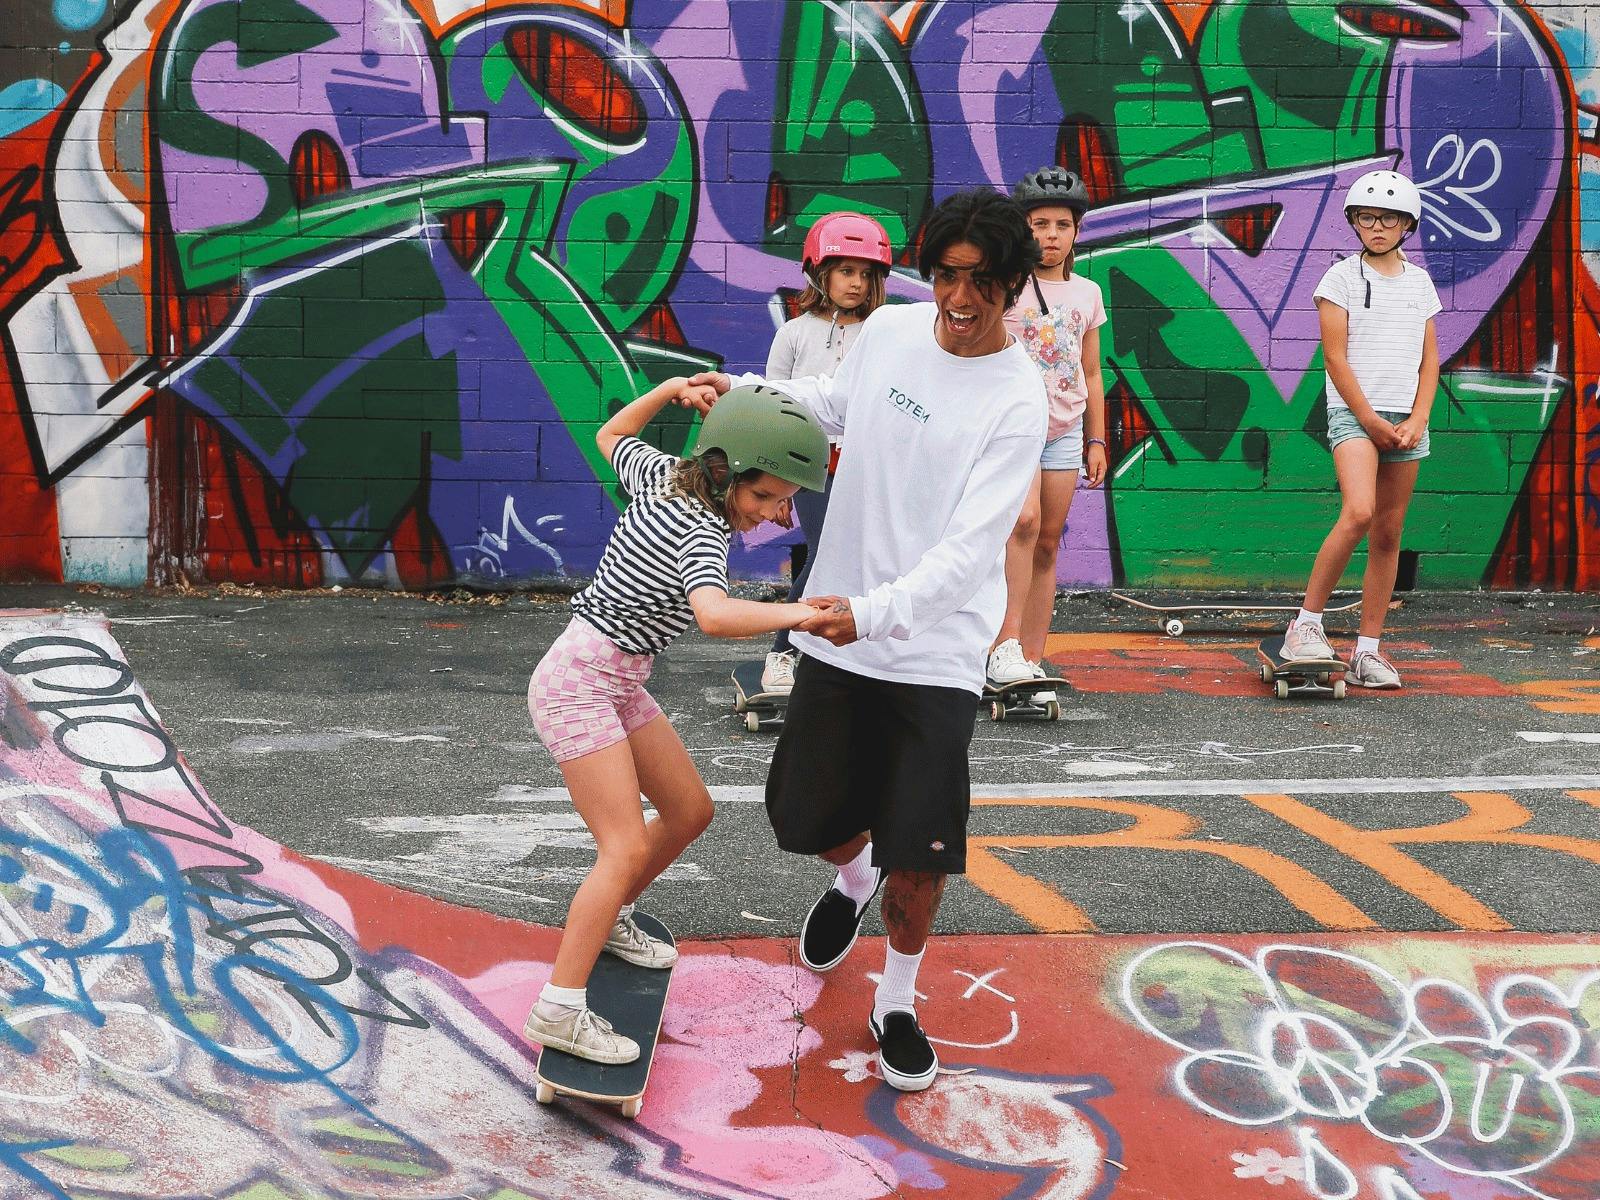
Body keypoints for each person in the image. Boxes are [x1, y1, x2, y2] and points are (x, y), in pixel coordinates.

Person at [684, 189, 1047, 1091]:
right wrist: (748, 391)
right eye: (949, 277)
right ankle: (850, 887)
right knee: (803, 817)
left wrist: (879, 611)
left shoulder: (1016, 397)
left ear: (1013, 288)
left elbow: (972, 551)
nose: (962, 302)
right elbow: (831, 405)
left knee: (919, 850)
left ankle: (895, 1002)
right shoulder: (888, 333)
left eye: (985, 285)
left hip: (932, 649)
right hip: (838, 632)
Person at [522, 378, 830, 1063]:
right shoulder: (700, 530)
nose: (770, 514)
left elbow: (610, 438)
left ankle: (610, 921)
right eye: (762, 497)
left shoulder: (665, 474)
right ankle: (559, 1008)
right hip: (579, 683)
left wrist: (666, 390)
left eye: (782, 501)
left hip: (617, 678)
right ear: (724, 469)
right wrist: (801, 613)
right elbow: (715, 615)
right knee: (624, 845)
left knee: (689, 810)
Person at [1282, 169, 1439, 687]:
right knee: (1359, 512)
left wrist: (1418, 418)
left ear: (1406, 226)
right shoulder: (1341, 278)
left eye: (1389, 219)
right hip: (1357, 415)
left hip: (1407, 420)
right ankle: (1305, 626)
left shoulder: (1419, 282)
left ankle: (1368, 650)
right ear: (1354, 221)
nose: (1378, 227)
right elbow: (1335, 358)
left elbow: (1429, 361)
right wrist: (1370, 420)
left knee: (1389, 535)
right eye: (1368, 217)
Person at [985, 167, 1108, 699]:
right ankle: (1001, 646)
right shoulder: (1006, 287)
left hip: (1064, 429)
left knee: (1048, 543)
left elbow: (1093, 371)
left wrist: (1096, 439)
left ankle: (1032, 659)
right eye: (1039, 224)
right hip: (1014, 429)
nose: (1050, 235)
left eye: (1061, 224)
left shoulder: (1086, 292)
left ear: (1077, 230)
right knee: (1022, 525)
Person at [762, 212, 894, 695]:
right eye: (845, 271)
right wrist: (774, 487)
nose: (856, 283)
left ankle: (849, 653)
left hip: (867, 466)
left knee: (868, 559)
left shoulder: (883, 332)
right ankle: (783, 651)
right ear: (819, 272)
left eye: (865, 274)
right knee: (823, 554)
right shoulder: (793, 334)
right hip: (809, 467)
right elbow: (773, 409)